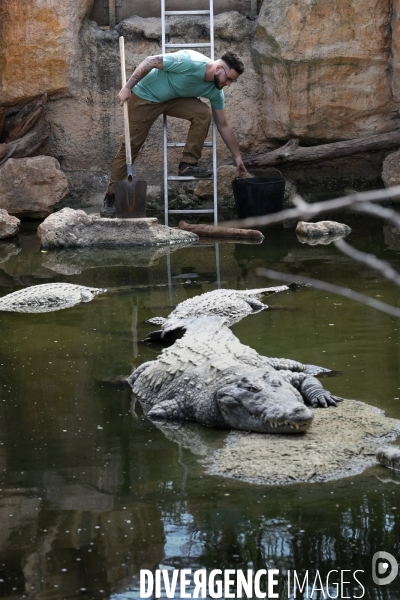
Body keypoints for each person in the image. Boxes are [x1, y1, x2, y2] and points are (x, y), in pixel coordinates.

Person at [101, 48, 247, 217]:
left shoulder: (216, 90)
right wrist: (127, 88)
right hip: (145, 96)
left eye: (232, 81)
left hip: (172, 99)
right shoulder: (189, 61)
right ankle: (110, 198)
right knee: (131, 145)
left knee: (203, 114)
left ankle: (188, 164)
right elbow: (150, 60)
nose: (228, 84)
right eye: (228, 79)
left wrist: (237, 156)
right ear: (218, 69)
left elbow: (223, 123)